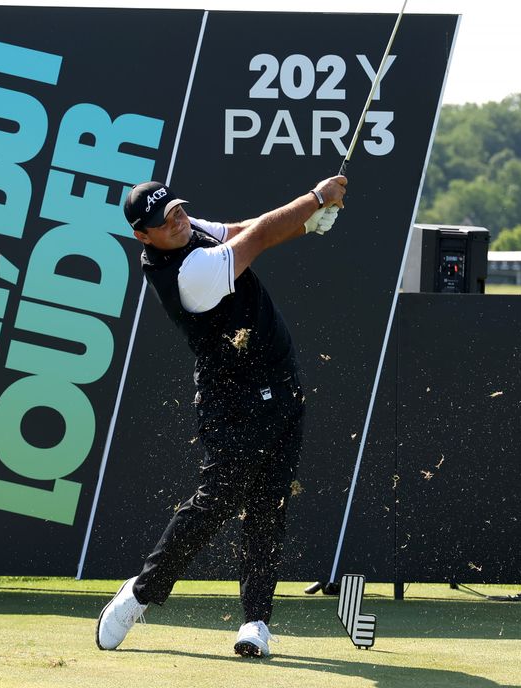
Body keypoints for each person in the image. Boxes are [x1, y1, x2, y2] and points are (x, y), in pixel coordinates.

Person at [96, 175, 347, 658]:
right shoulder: (186, 274)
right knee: (216, 503)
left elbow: (242, 227)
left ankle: (255, 622)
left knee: (269, 507)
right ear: (143, 237)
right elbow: (257, 239)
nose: (178, 221)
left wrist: (309, 223)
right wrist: (314, 199)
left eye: (176, 210)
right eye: (164, 223)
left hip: (282, 384)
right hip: (232, 399)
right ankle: (141, 594)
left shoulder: (189, 231)